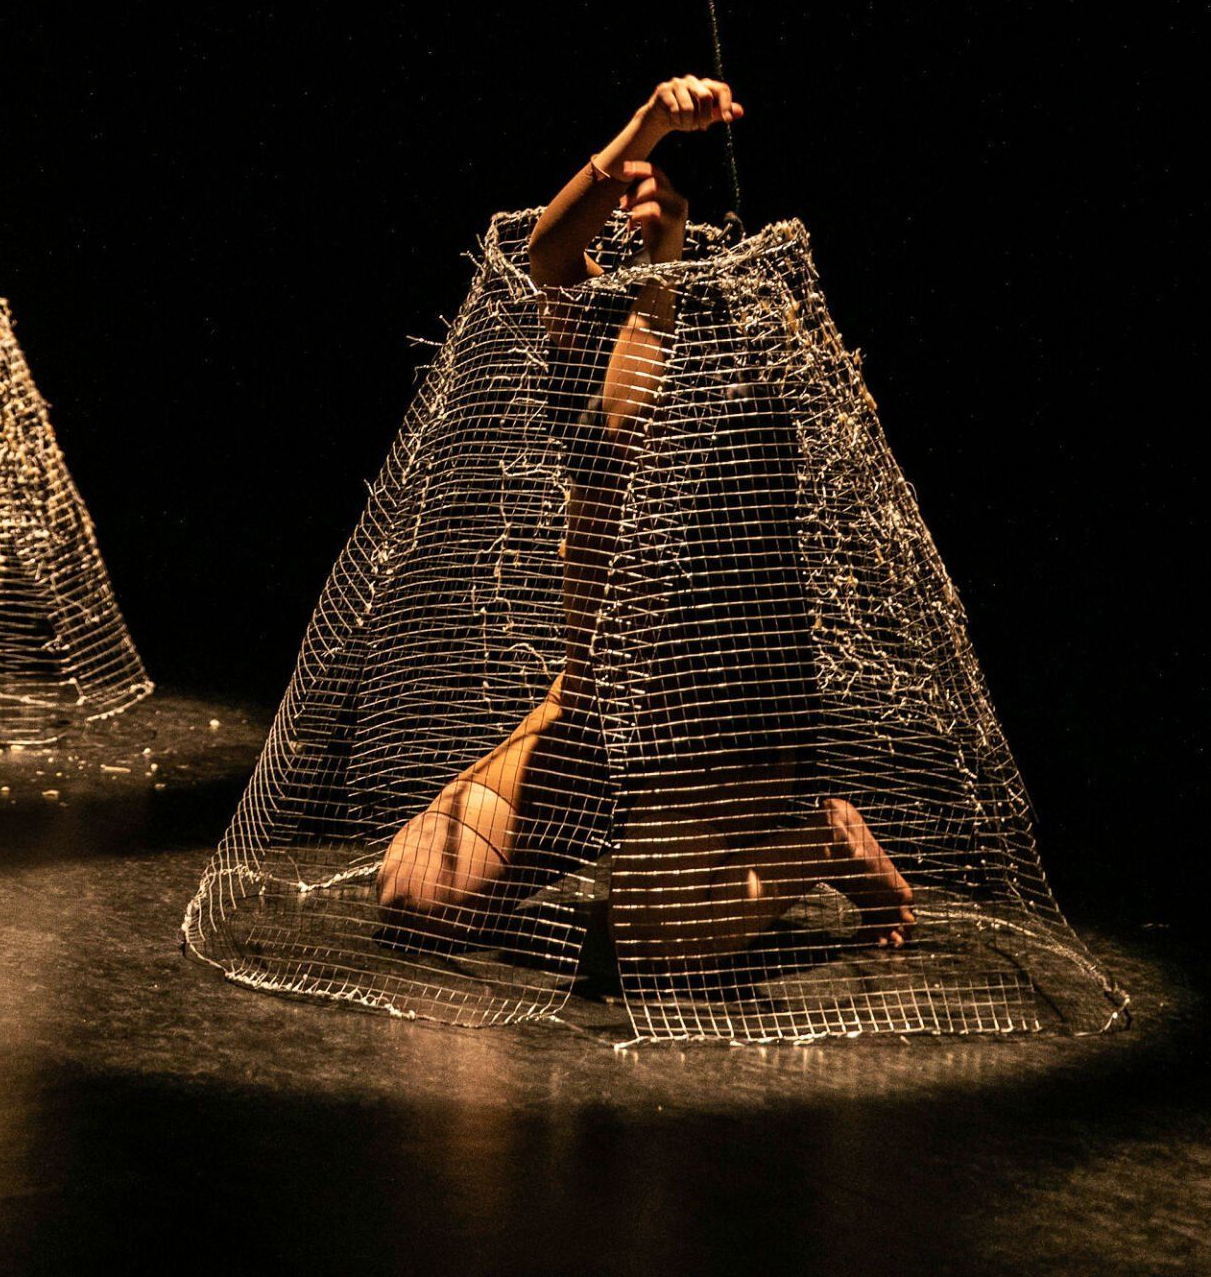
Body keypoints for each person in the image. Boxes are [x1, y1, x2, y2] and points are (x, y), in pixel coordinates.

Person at [376, 74, 914, 963]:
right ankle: (617, 837)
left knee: (649, 940)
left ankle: (824, 839)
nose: (635, 218)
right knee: (416, 894)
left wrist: (665, 263)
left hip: (718, 731)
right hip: (589, 707)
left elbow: (631, 429)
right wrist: (650, 124)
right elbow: (548, 255)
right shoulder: (598, 329)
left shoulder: (740, 367)